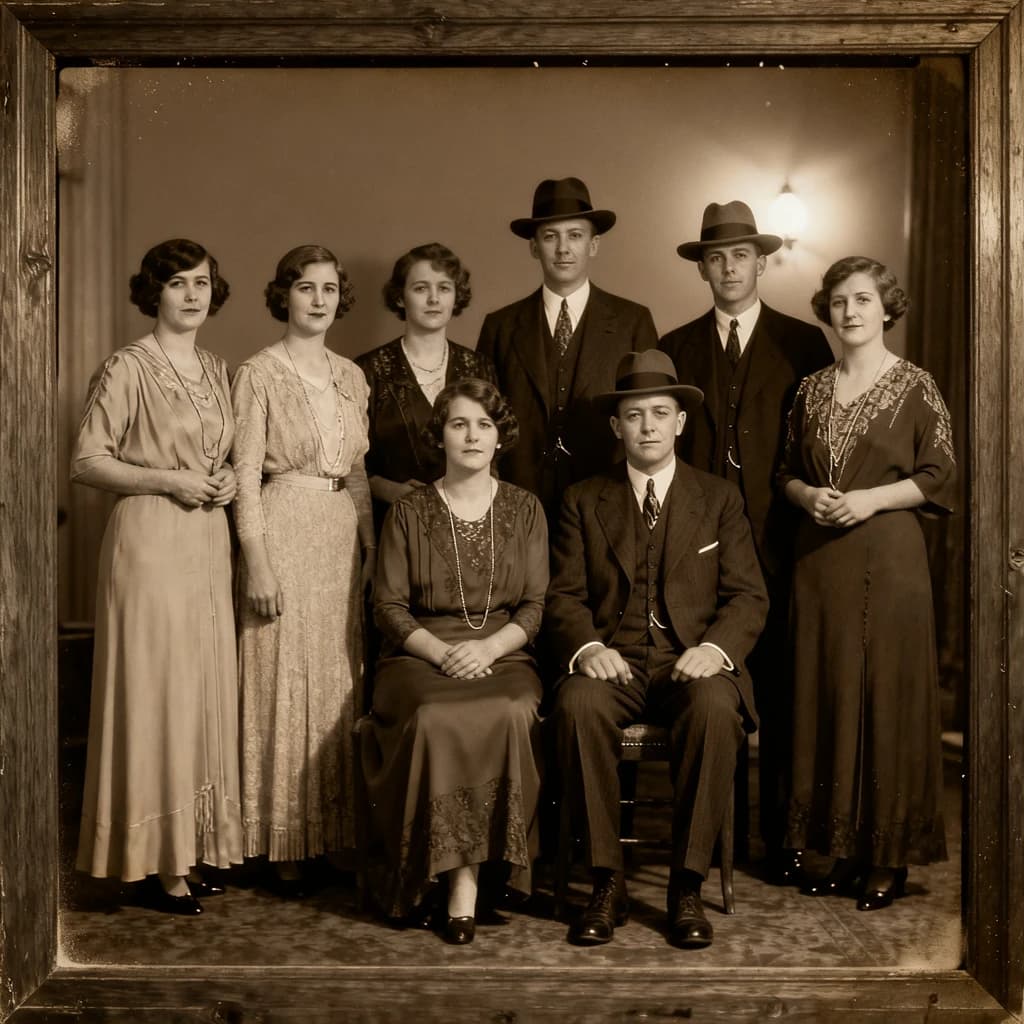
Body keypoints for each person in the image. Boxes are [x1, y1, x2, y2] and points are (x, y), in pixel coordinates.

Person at [546, 350, 768, 949]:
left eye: (660, 413)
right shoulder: (582, 499)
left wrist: (716, 649)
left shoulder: (718, 498)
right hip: (613, 663)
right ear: (616, 426)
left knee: (716, 709)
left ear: (680, 423)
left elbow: (749, 596)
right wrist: (588, 645)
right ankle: (605, 881)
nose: (648, 426)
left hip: (688, 661)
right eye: (635, 415)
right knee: (576, 706)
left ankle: (686, 885)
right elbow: (562, 595)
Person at [658, 200, 833, 884]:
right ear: (702, 268)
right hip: (701, 552)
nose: (727, 268)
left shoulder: (804, 343)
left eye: (739, 256)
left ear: (762, 262)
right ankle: (705, 841)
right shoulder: (676, 346)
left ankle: (783, 839)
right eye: (714, 258)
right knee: (708, 684)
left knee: (788, 691)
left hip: (785, 543)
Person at [780, 256, 955, 910]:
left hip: (889, 559)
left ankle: (887, 857)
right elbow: (782, 475)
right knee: (828, 696)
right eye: (838, 301)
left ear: (887, 308)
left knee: (884, 697)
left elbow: (940, 475)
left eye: (862, 300)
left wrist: (870, 501)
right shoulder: (809, 390)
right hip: (820, 561)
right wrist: (807, 498)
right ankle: (839, 847)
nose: (849, 311)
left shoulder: (916, 386)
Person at [74, 238, 242, 915]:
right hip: (147, 540)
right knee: (153, 696)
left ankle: (185, 850)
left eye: (202, 282)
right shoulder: (126, 366)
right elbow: (87, 460)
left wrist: (225, 479)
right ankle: (147, 866)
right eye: (177, 283)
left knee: (197, 693)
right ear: (155, 293)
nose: (192, 294)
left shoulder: (216, 366)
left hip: (205, 541)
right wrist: (169, 479)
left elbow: (216, 454)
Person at [361, 378, 548, 944]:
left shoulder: (525, 508)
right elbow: (388, 608)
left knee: (514, 708)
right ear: (440, 435)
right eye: (459, 423)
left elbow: (536, 606)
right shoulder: (409, 510)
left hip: (504, 651)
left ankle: (479, 874)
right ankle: (453, 880)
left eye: (484, 425)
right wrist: (443, 653)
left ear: (500, 438)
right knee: (435, 716)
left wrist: (489, 648)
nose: (472, 435)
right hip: (419, 655)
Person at [231, 244, 374, 895]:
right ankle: (283, 840)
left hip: (340, 531)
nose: (317, 299)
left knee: (338, 679)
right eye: (304, 288)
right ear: (283, 295)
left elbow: (360, 473)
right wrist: (256, 560)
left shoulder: (351, 376)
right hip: (284, 525)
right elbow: (244, 476)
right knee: (283, 675)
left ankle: (332, 835)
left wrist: (372, 550)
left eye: (327, 288)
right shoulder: (259, 373)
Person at [477, 176, 658, 521]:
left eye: (575, 235)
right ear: (533, 247)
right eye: (550, 237)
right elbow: (484, 419)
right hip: (518, 501)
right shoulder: (499, 327)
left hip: (609, 499)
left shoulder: (633, 322)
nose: (563, 248)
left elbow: (649, 417)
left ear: (593, 245)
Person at [356, 242, 496, 531]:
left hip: (469, 522)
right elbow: (352, 462)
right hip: (394, 525)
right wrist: (389, 490)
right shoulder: (368, 370)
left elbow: (496, 452)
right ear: (399, 298)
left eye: (444, 288)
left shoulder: (478, 367)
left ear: (457, 296)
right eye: (421, 288)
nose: (434, 299)